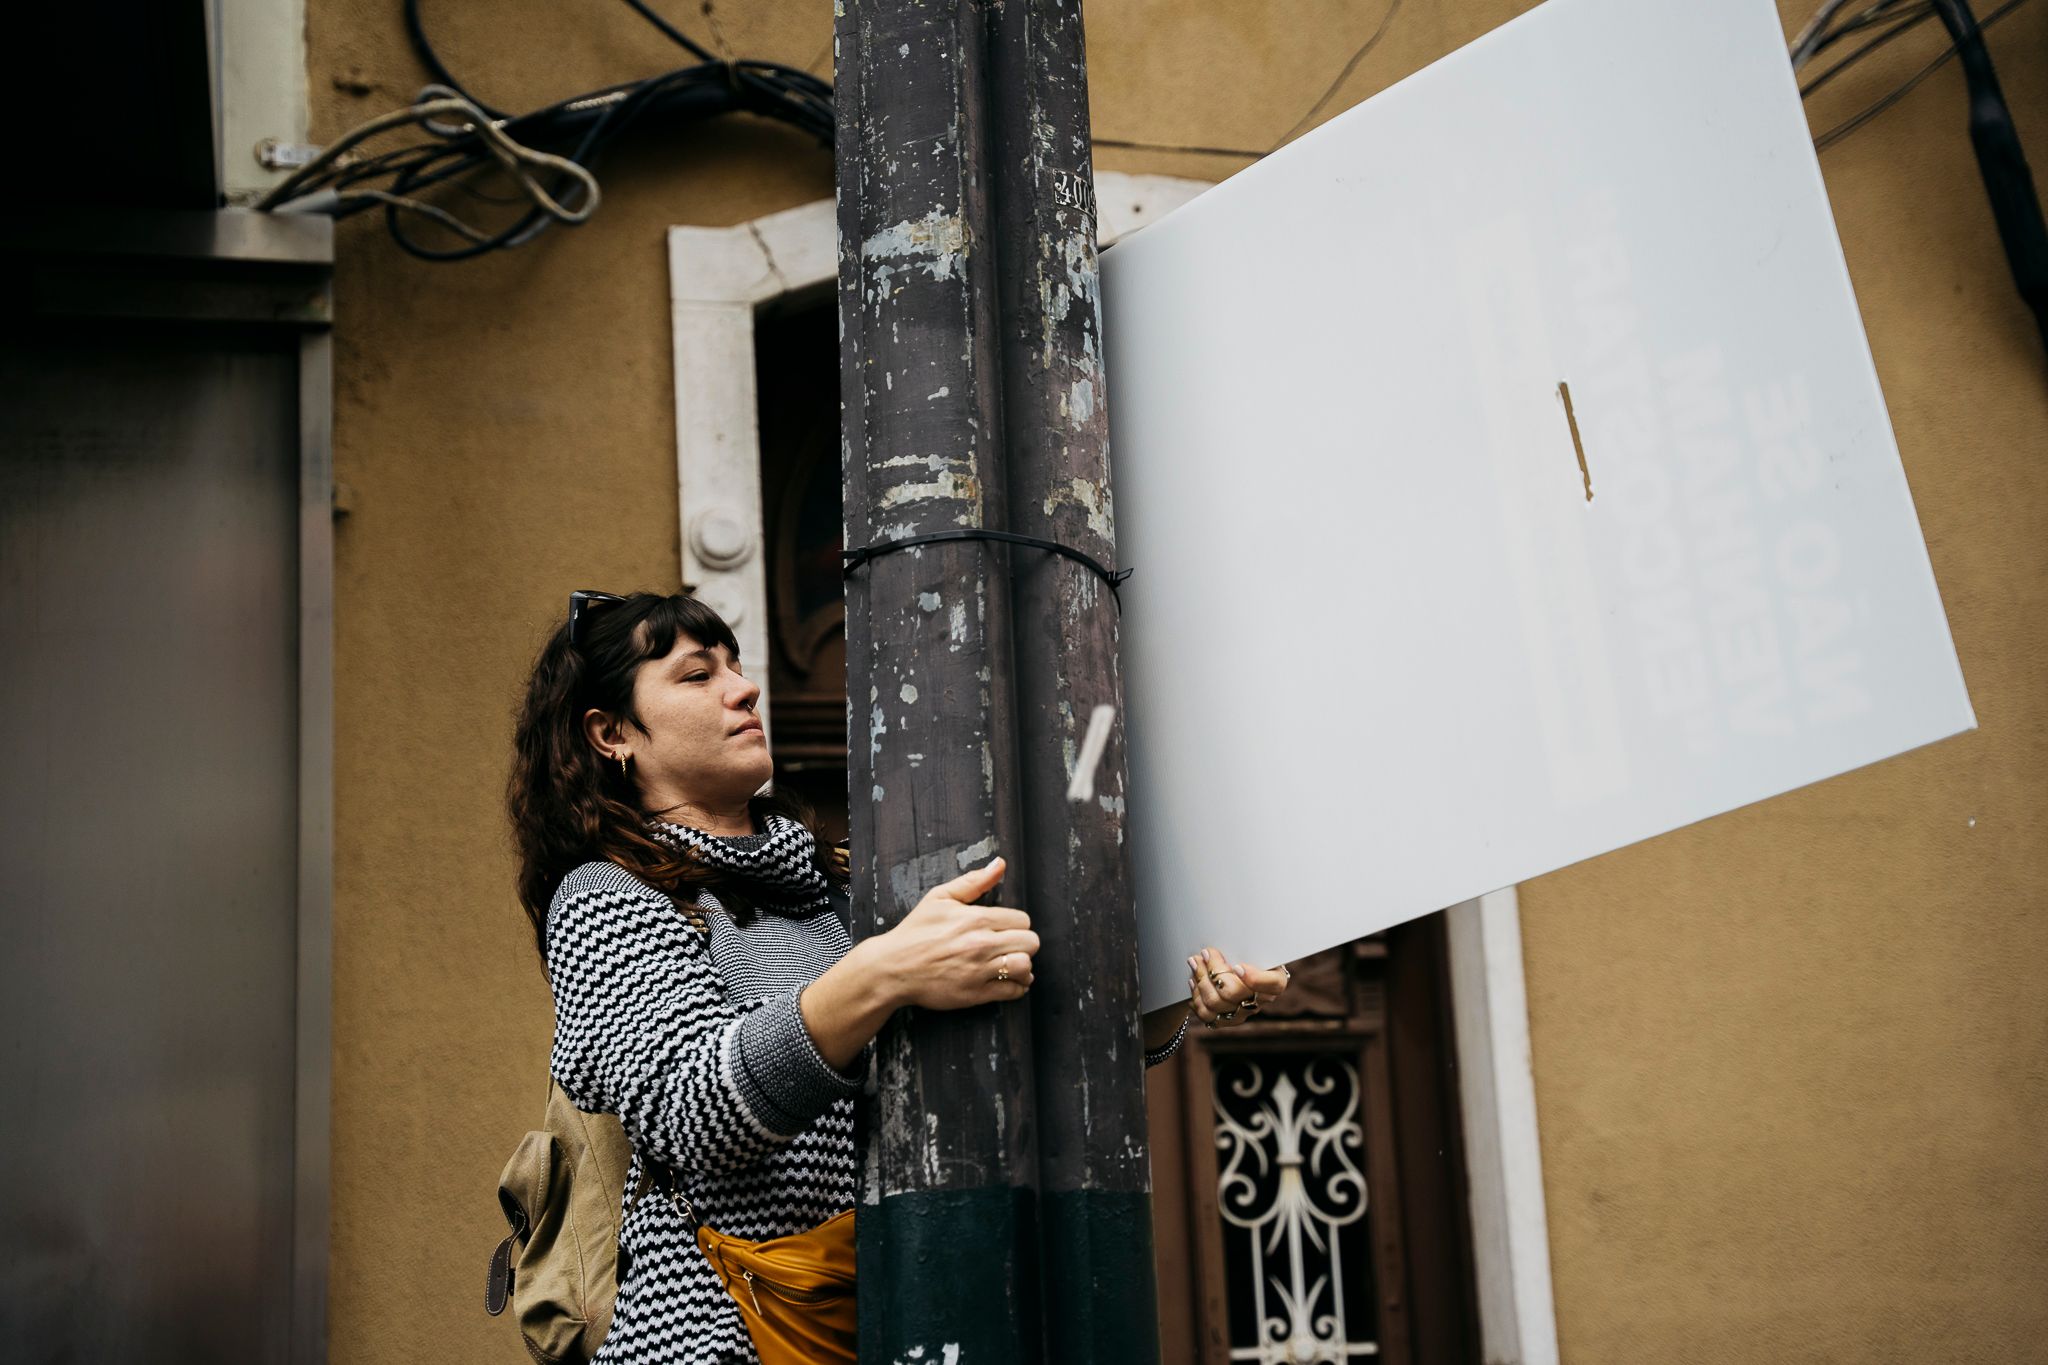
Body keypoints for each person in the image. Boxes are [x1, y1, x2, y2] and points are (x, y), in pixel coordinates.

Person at [507, 589, 1290, 1364]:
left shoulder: (847, 888)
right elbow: (690, 1109)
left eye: (736, 665)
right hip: (715, 1338)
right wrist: (881, 973)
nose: (743, 689)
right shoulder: (603, 897)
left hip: (902, 1319)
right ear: (611, 733)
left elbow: (1010, 1052)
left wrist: (1177, 1000)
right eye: (696, 674)